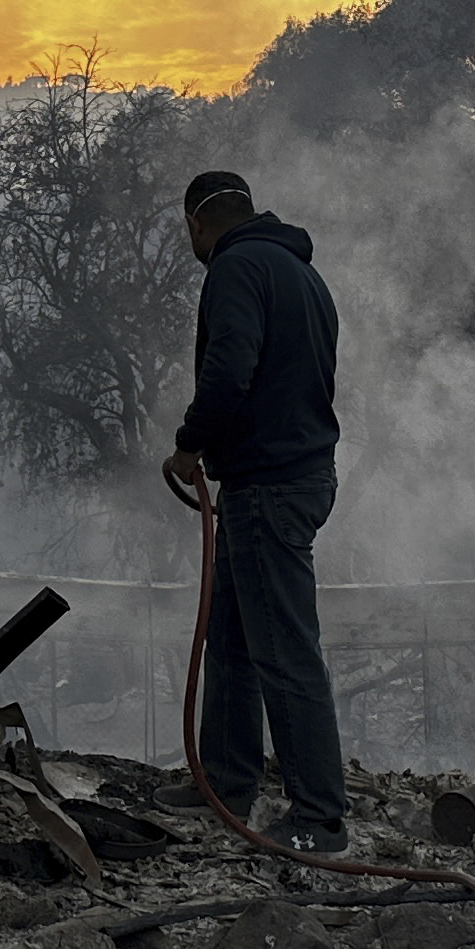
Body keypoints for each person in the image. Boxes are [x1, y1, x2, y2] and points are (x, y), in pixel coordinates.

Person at [160, 169, 348, 855]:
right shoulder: (301, 274)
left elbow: (228, 370)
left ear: (195, 225)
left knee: (282, 648)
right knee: (233, 639)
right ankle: (226, 782)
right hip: (286, 476)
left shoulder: (234, 268)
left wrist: (188, 444)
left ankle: (318, 816)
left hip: (269, 483)